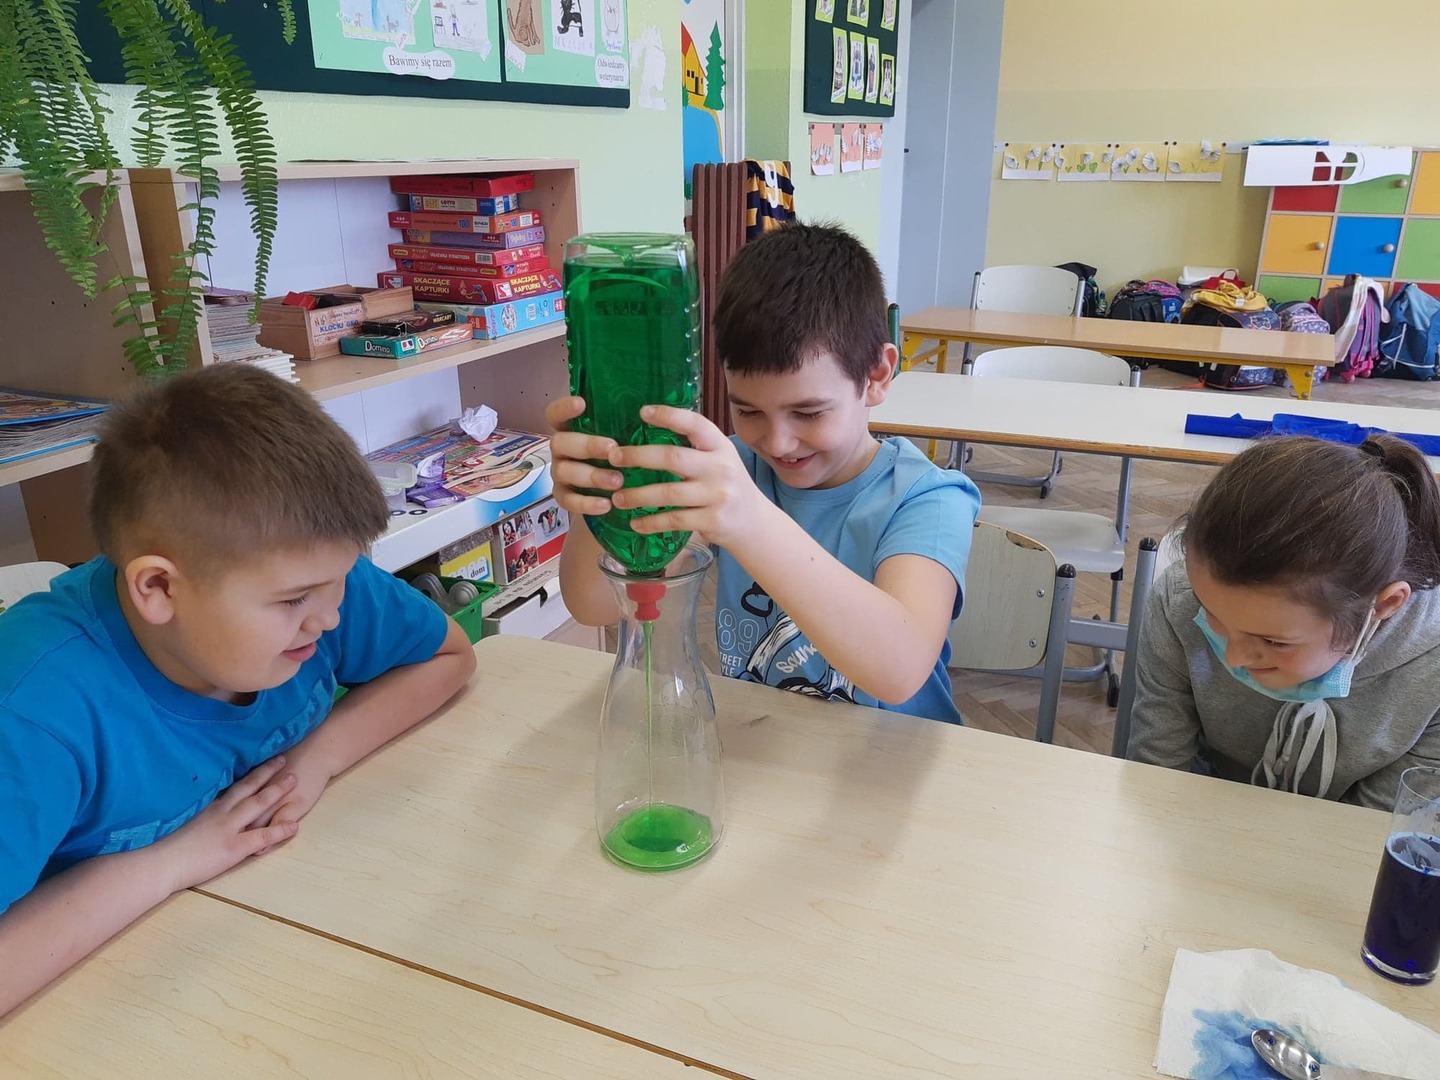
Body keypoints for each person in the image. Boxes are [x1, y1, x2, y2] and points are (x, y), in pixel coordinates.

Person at [0, 364, 476, 1014]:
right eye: (295, 600)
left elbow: (449, 655)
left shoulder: (309, 572)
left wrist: (318, 758)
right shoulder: (33, 715)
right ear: (159, 588)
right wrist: (171, 862)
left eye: (341, 580)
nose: (329, 617)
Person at [549, 223, 980, 722]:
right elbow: (592, 604)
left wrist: (750, 519)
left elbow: (899, 671)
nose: (777, 443)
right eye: (748, 411)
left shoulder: (929, 499)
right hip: (768, 744)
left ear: (877, 376)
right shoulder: (733, 473)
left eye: (809, 413)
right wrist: (607, 488)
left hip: (894, 759)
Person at [1128, 434, 1440, 810]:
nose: (1234, 657)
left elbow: (1379, 825)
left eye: (1274, 641)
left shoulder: (1431, 667)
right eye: (1212, 615)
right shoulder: (1178, 600)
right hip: (1203, 814)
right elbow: (1158, 774)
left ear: (1384, 605)